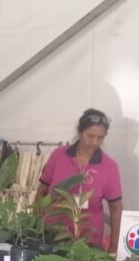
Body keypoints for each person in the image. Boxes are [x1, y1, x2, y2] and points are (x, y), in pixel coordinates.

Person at [36, 108, 123, 253]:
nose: (94, 142)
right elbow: (42, 191)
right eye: (90, 136)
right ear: (80, 132)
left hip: (89, 241)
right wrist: (35, 225)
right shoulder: (59, 156)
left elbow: (116, 209)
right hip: (53, 235)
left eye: (100, 138)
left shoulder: (109, 166)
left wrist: (114, 247)